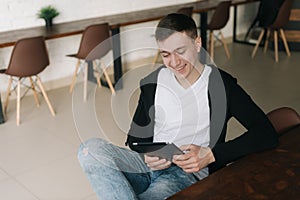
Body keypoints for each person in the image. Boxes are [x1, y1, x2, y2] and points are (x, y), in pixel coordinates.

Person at [78, 13, 278, 200]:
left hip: (186, 173)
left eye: (180, 51)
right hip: (148, 165)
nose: (173, 62)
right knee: (89, 150)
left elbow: (265, 133)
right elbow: (135, 139)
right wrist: (149, 154)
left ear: (197, 43)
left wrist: (212, 154)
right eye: (165, 54)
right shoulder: (153, 83)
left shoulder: (221, 85)